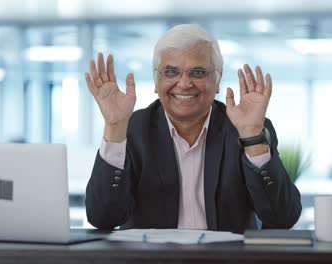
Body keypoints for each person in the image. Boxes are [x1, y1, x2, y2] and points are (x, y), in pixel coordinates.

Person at [84, 24, 301, 233]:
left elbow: (283, 217)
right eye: (171, 72)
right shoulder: (131, 129)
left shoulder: (243, 129)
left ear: (217, 80)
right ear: (156, 80)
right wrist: (114, 127)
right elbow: (103, 218)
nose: (185, 83)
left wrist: (253, 138)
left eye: (198, 72)